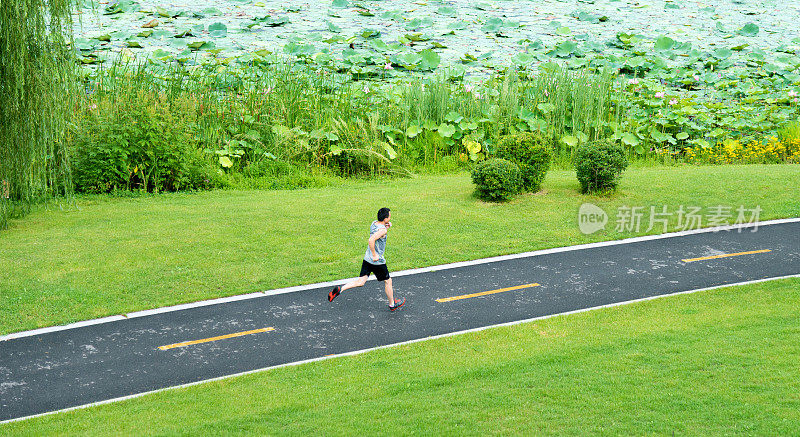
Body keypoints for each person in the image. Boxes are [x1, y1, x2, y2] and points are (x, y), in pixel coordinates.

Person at [328, 207, 405, 311]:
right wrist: (375, 255)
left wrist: (386, 226)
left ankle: (340, 289)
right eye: (389, 216)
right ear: (385, 218)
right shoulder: (382, 230)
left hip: (367, 259)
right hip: (377, 261)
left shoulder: (374, 223)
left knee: (360, 282)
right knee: (388, 281)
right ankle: (392, 304)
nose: (390, 217)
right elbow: (371, 240)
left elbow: (378, 231)